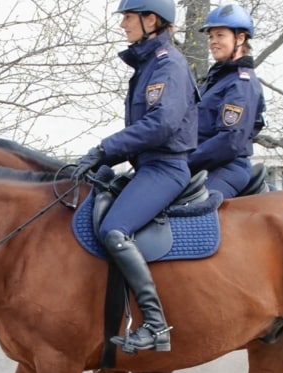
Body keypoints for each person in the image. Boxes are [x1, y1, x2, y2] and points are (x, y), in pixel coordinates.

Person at [71, 0, 199, 354]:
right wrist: (104, 159)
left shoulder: (168, 64)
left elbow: (161, 125)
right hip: (147, 165)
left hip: (166, 168)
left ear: (151, 19)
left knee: (115, 230)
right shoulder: (147, 66)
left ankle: (156, 325)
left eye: (128, 17)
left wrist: (105, 148)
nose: (123, 24)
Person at [188, 3, 266, 198]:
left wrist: (186, 160)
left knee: (194, 212)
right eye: (211, 36)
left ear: (240, 38)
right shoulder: (215, 81)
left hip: (226, 168)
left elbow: (229, 141)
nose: (213, 41)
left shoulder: (241, 84)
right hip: (201, 164)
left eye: (220, 35)